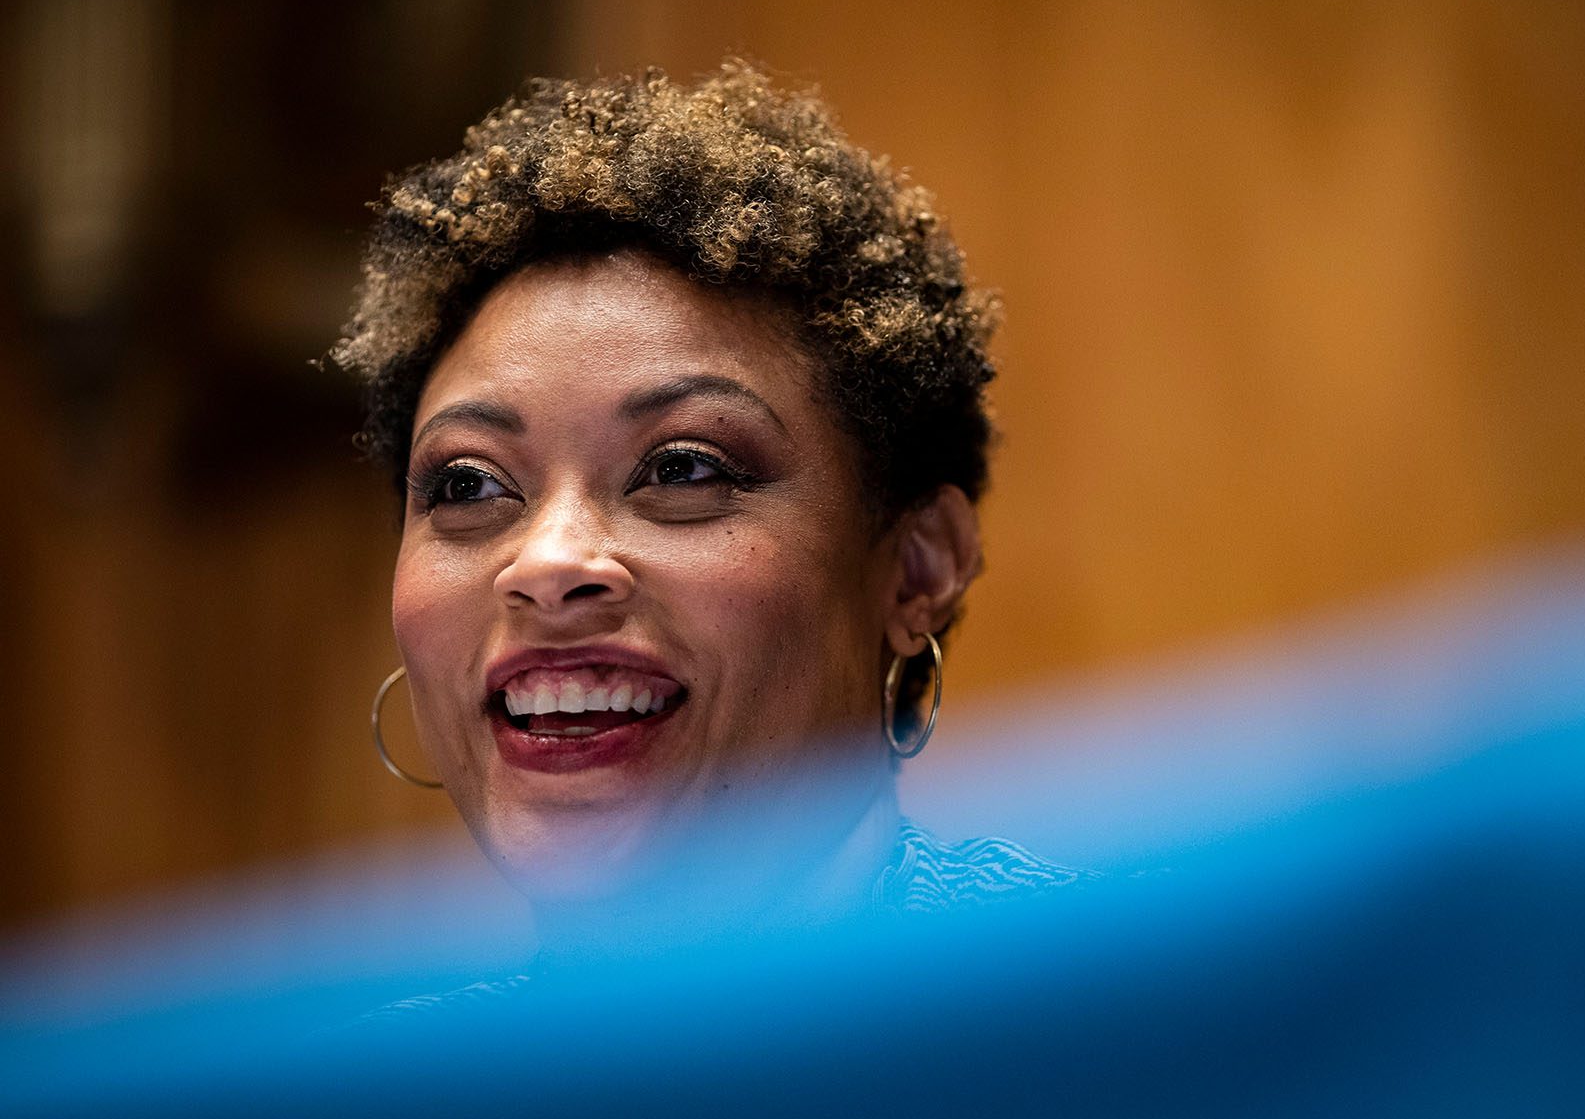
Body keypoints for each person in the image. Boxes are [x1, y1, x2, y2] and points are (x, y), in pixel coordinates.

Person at [334, 61, 1088, 990]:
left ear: (918, 569)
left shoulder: (1141, 1028)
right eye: (467, 485)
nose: (550, 560)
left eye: (684, 468)